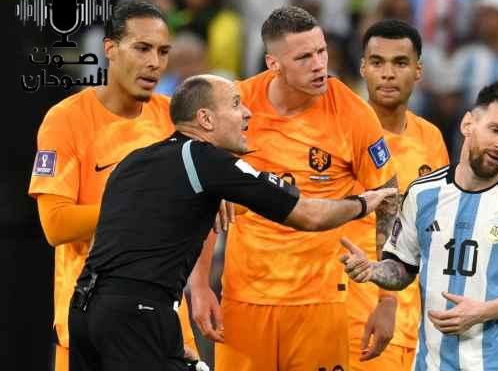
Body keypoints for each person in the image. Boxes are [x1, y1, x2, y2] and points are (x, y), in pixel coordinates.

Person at [67, 74, 397, 371]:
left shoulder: (134, 161)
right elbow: (308, 216)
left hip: (85, 309)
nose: (247, 113)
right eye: (236, 104)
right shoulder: (207, 159)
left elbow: (107, 238)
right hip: (139, 315)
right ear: (205, 119)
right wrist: (363, 203)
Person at [189, 6, 398, 371]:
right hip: (244, 299)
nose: (319, 65)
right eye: (304, 57)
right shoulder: (236, 107)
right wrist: (200, 284)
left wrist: (388, 300)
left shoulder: (352, 113)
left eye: (322, 51)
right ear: (273, 63)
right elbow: (203, 200)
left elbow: (390, 202)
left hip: (319, 303)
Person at [27, 0, 199, 371]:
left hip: (165, 330)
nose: (154, 62)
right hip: (90, 329)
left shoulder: (174, 119)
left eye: (163, 52)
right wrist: (138, 211)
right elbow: (55, 225)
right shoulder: (66, 120)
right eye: (142, 48)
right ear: (110, 49)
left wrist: (200, 285)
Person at [341, 81, 498, 370]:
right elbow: (402, 268)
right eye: (495, 130)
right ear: (468, 124)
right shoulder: (422, 194)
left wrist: (482, 312)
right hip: (431, 363)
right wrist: (373, 270)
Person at [344, 19, 450, 370]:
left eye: (400, 63)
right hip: (356, 316)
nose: (388, 73)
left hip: (415, 323)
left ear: (418, 71)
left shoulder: (431, 138)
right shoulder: (343, 133)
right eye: (377, 62)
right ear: (363, 67)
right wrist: (385, 300)